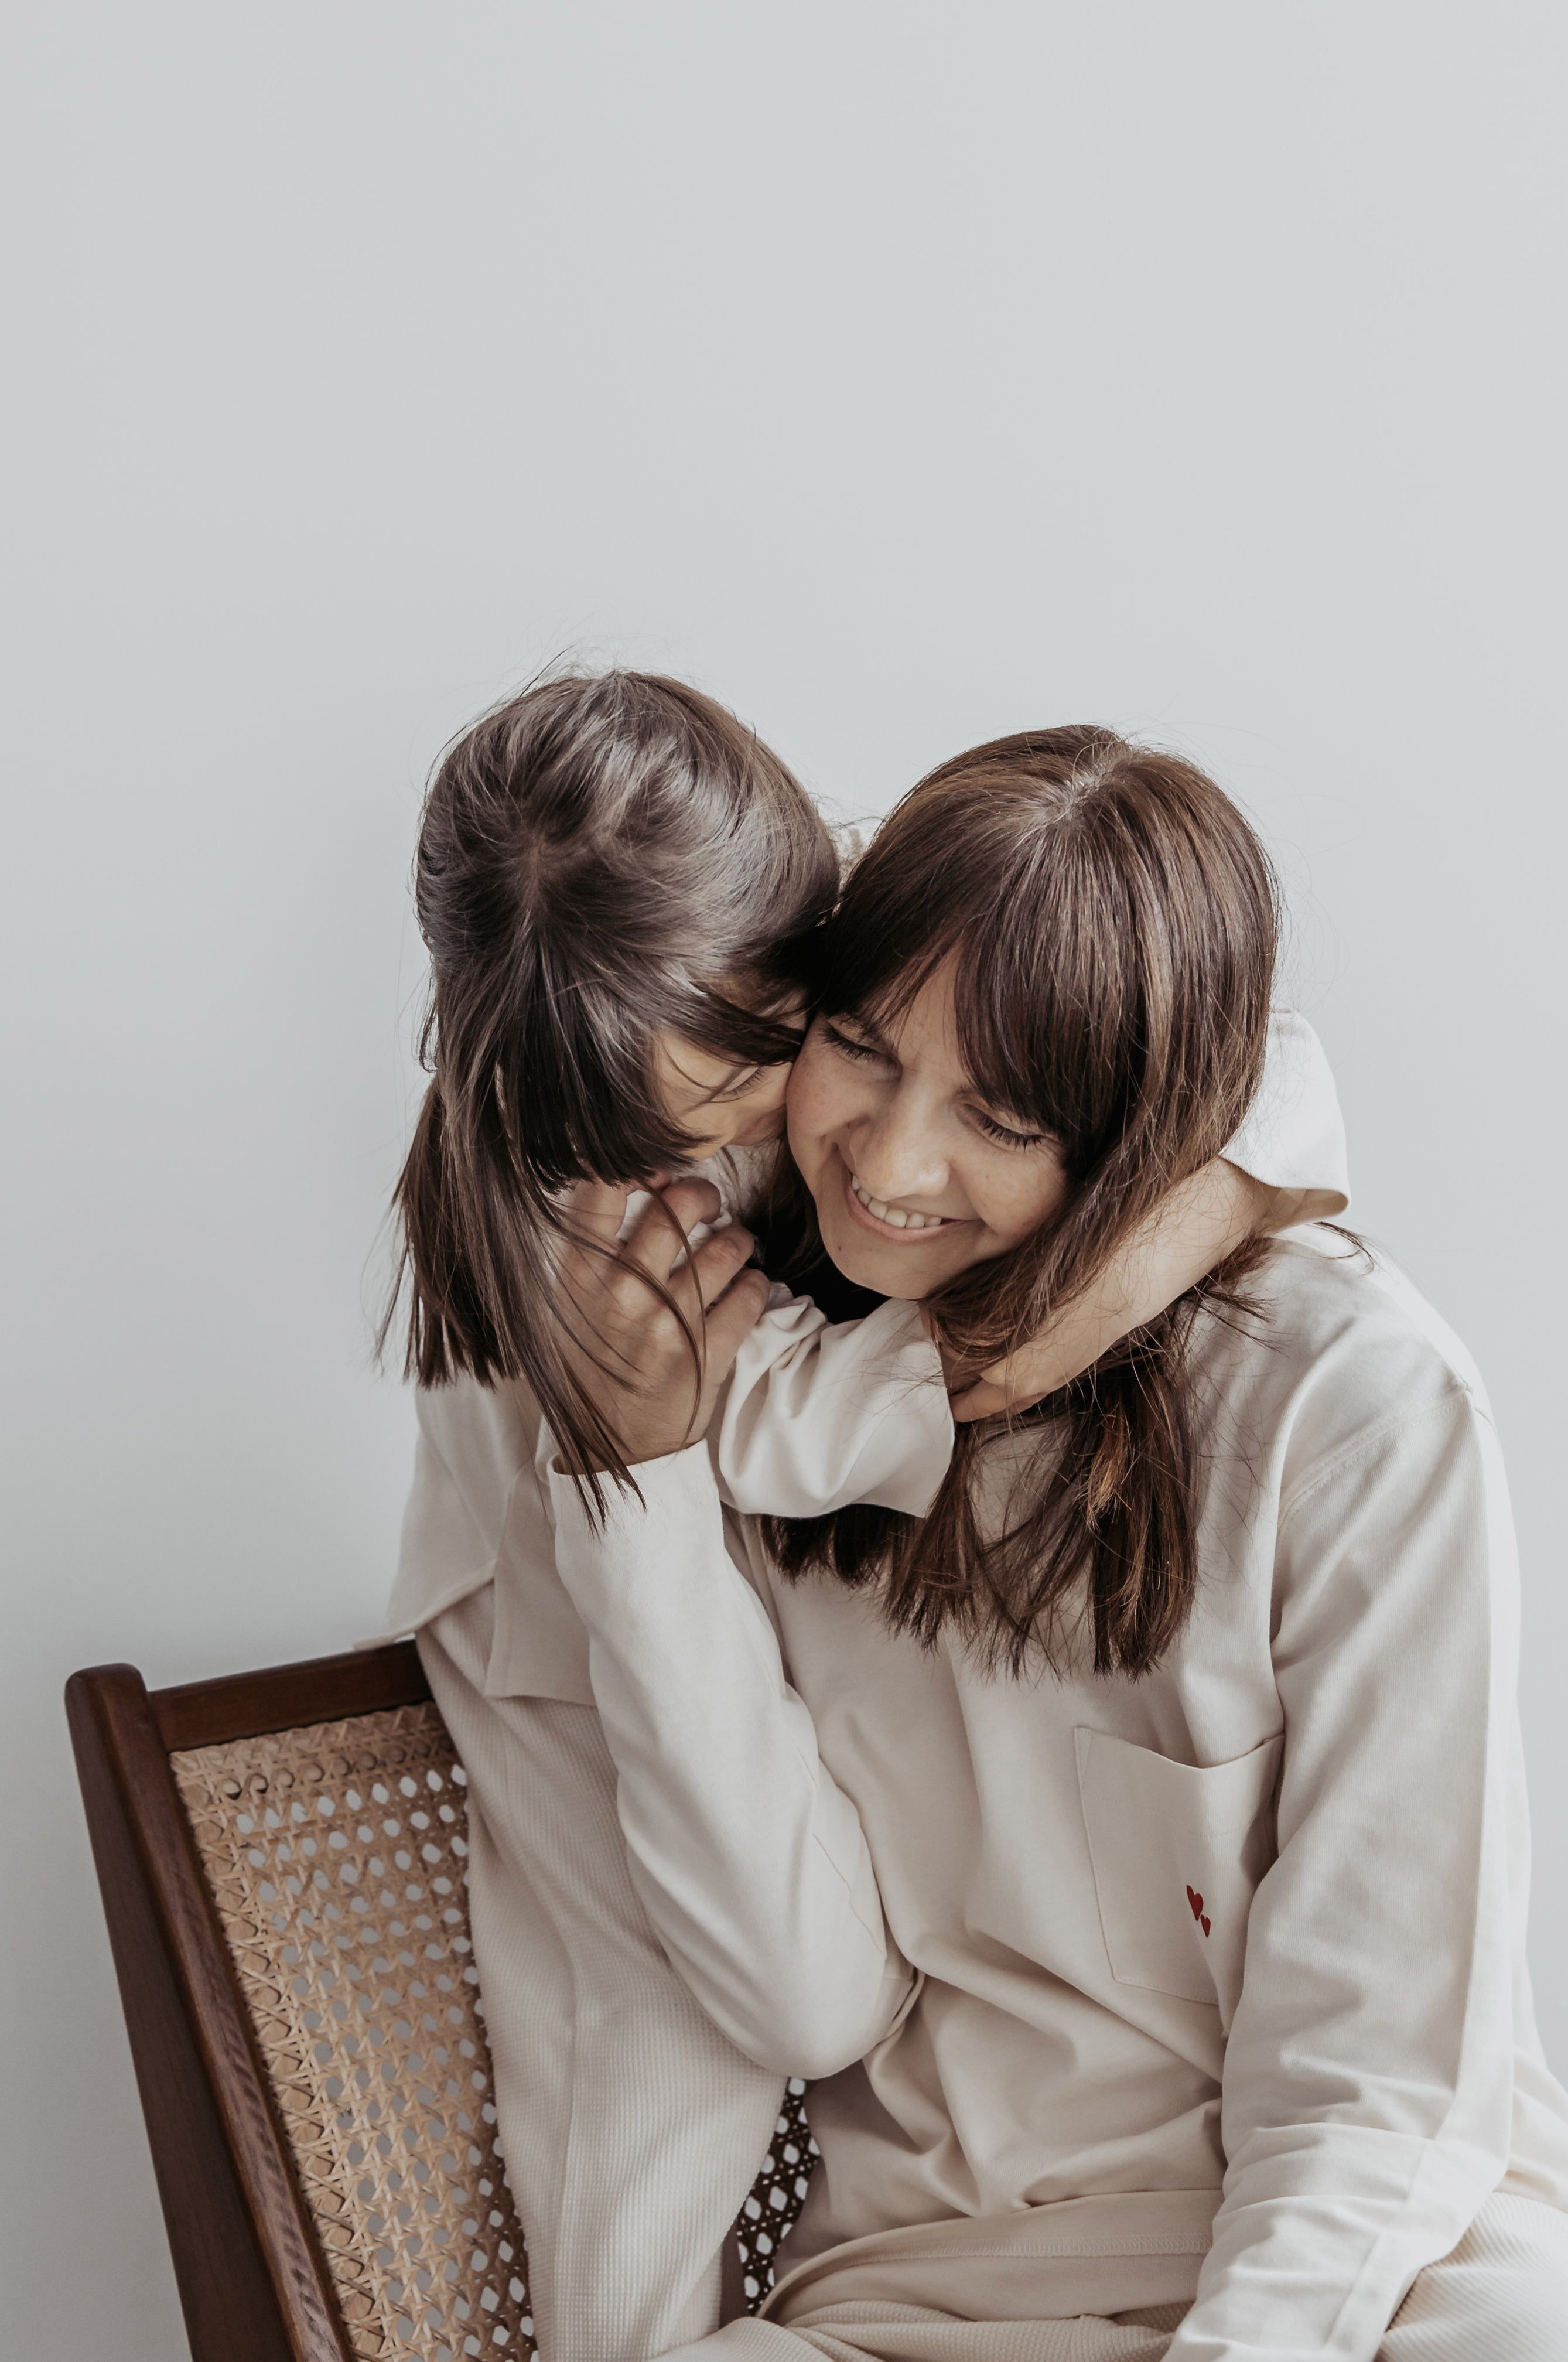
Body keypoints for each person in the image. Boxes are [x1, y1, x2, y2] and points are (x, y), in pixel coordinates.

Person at [533, 728, 1568, 2360]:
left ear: (1147, 1141)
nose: (891, 1161)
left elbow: (1374, 2070)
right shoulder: (731, 1349)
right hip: (941, 2267)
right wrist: (640, 1480)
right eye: (862, 1047)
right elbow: (801, 1993)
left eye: (1001, 1117)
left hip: (1390, 2250)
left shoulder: (1345, 1403)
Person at [375, 671, 1351, 2361]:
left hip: (735, 1542)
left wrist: (1154, 1237)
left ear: (808, 937)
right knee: (643, 2104)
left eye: (756, 1094)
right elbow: (779, 1414)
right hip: (569, 1560)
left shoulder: (850, 936)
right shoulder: (590, 1231)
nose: (747, 1170)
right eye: (656, 1147)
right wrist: (1002, 1345)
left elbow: (1239, 1048)